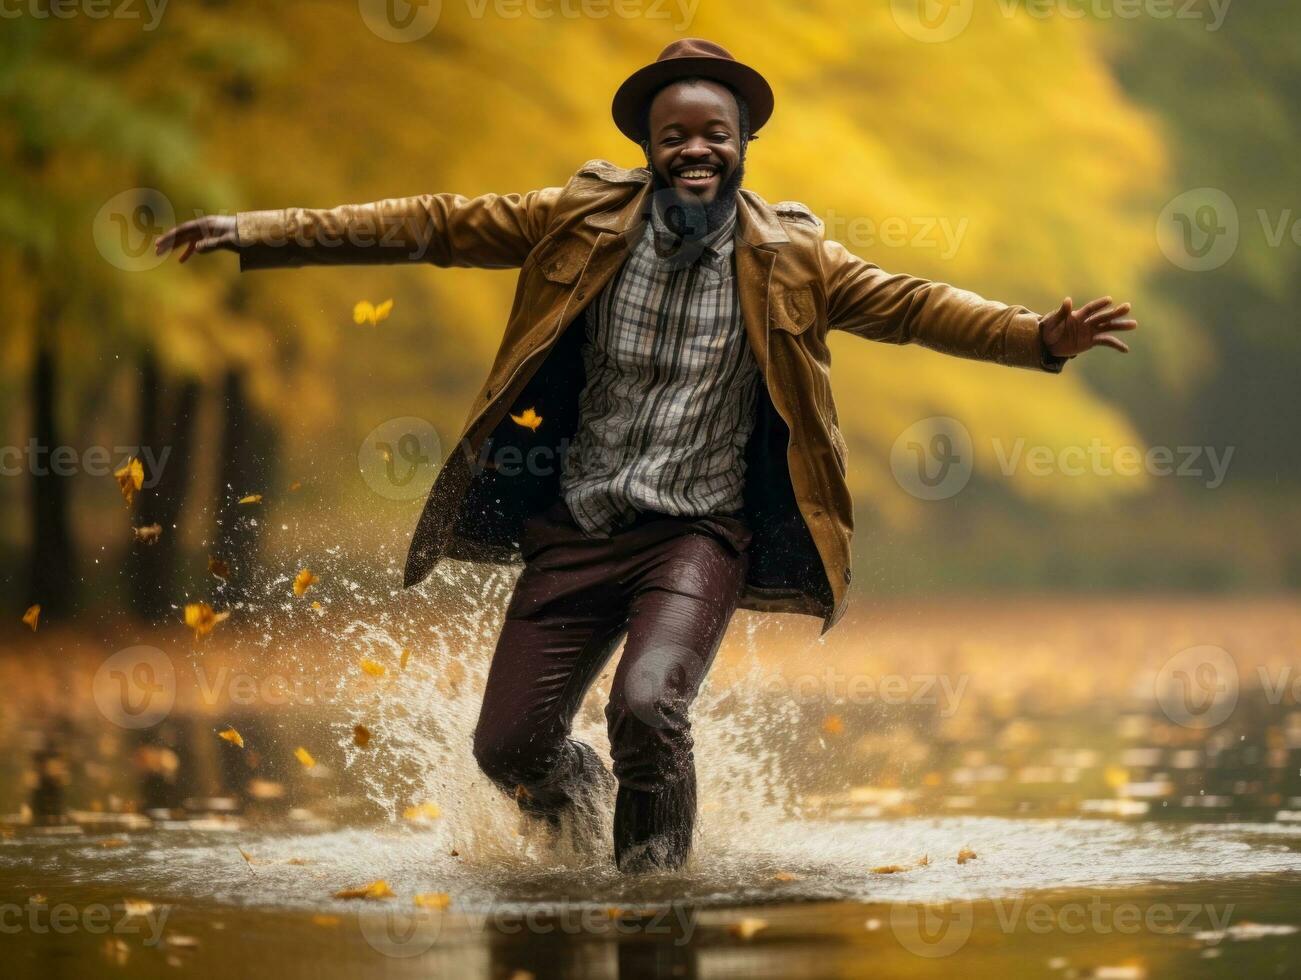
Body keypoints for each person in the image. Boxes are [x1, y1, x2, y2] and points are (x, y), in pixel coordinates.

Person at [155, 38, 1137, 872]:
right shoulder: (578, 220)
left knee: (648, 703)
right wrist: (254, 233)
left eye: (715, 134)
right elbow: (431, 223)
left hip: (697, 535)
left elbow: (917, 304)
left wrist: (1033, 339)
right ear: (648, 146)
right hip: (576, 530)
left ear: (744, 142)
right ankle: (588, 823)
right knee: (508, 749)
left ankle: (652, 906)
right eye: (676, 136)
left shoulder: (790, 256)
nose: (696, 150)